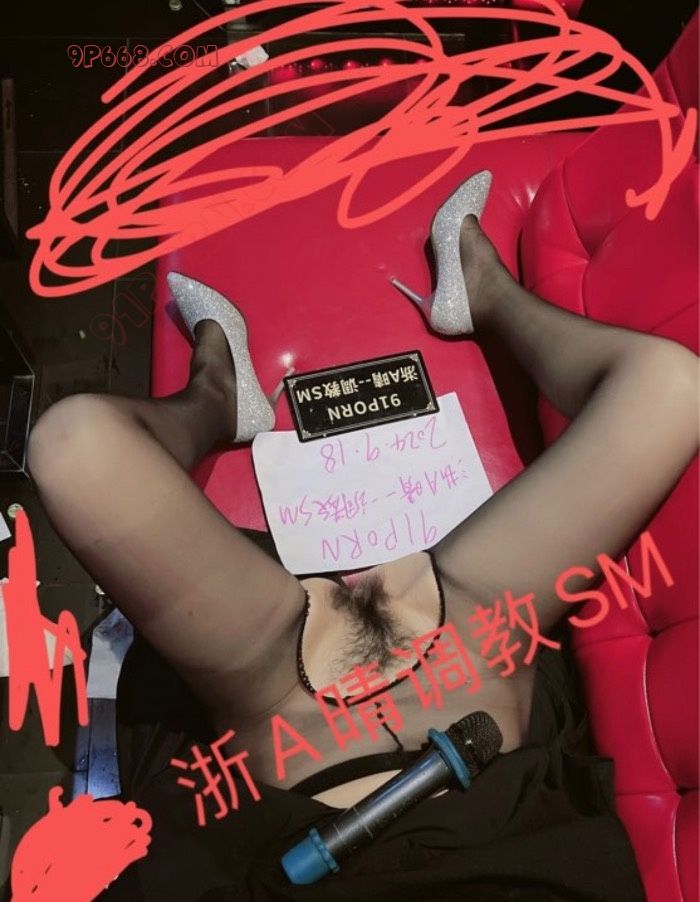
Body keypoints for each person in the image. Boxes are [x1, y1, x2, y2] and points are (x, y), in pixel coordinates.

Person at [25, 172, 698, 901]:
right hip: (473, 666)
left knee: (73, 448)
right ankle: (484, 294)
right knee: (672, 388)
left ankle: (219, 395)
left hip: (284, 705)